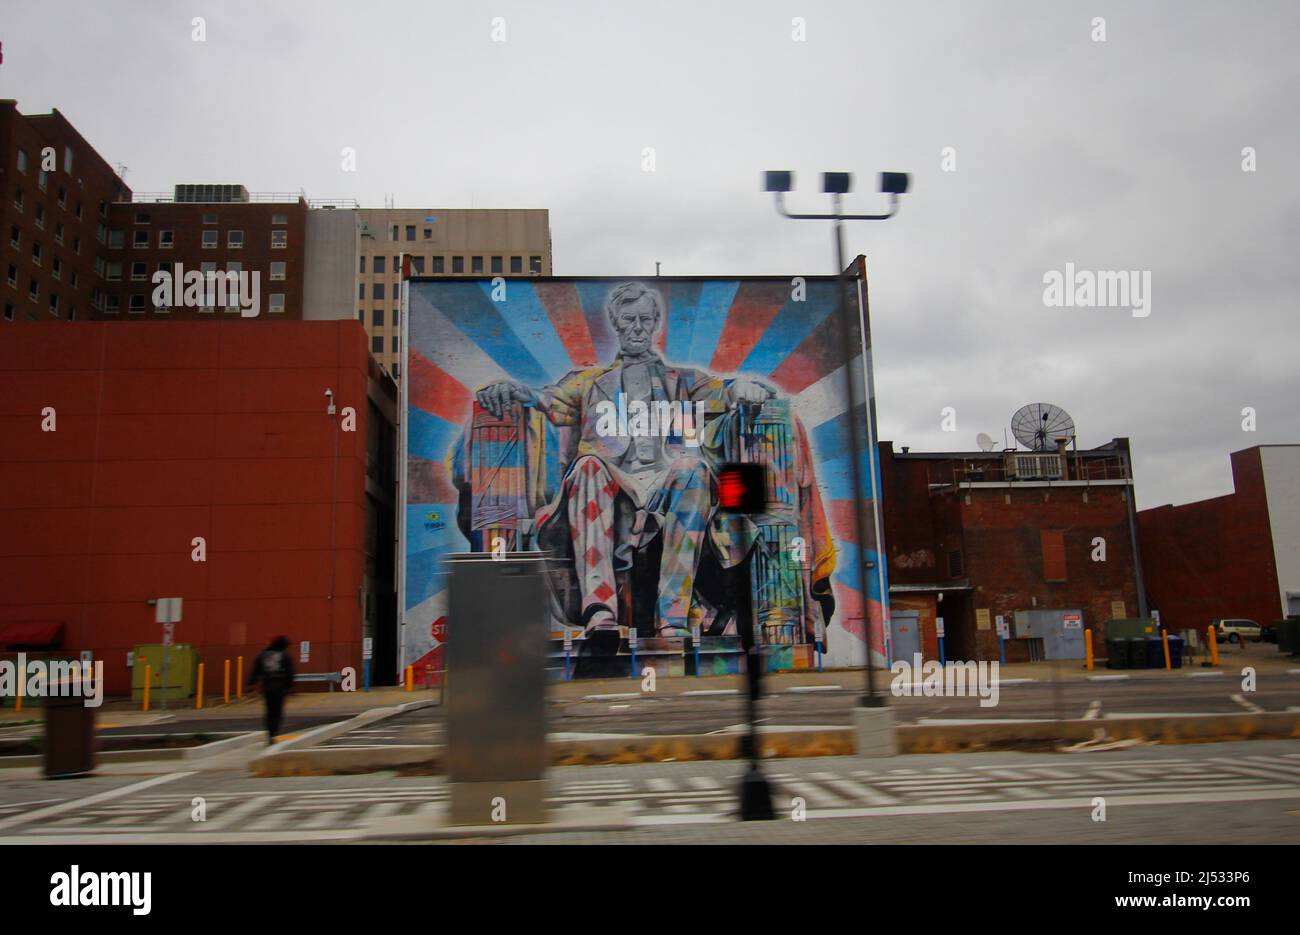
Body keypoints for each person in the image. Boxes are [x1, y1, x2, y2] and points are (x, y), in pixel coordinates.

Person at [475, 282, 773, 639]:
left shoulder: (685, 381)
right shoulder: (588, 381)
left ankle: (673, 618)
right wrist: (515, 390)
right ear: (616, 323)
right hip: (611, 487)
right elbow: (548, 400)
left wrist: (740, 387)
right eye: (629, 319)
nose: (637, 328)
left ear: (656, 324)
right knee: (587, 466)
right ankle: (600, 611)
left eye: (645, 319)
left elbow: (722, 391)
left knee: (692, 468)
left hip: (667, 485)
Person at [247, 636, 295, 744]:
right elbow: (290, 672)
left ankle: (270, 734)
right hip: (279, 687)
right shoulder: (284, 656)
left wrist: (251, 686)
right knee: (277, 712)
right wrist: (289, 687)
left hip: (267, 686)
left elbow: (255, 671)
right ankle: (273, 733)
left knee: (269, 711)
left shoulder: (263, 655)